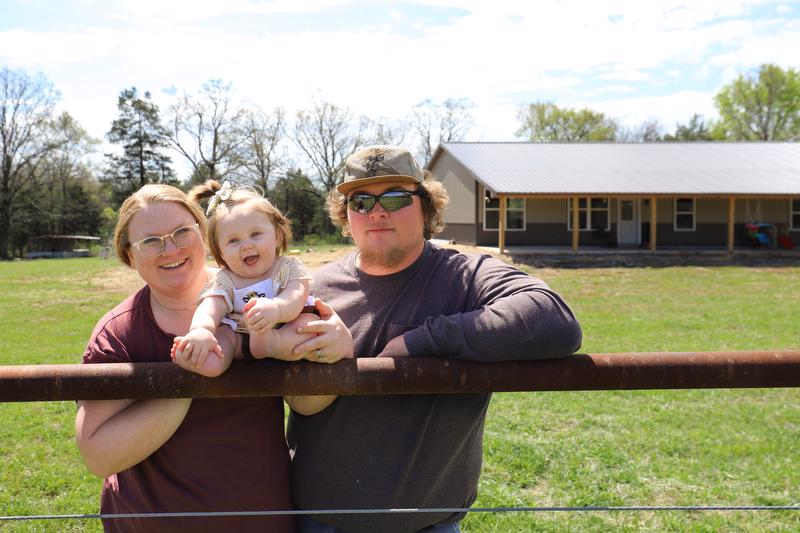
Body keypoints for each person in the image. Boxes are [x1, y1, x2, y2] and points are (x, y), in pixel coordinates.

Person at [286, 145, 583, 533]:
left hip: (430, 524)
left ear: (426, 206)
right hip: (318, 522)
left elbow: (553, 318)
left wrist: (420, 342)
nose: (377, 211)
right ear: (346, 214)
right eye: (360, 200)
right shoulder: (317, 288)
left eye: (394, 197)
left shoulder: (466, 276)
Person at [75, 184, 352, 533]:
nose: (170, 249)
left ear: (204, 237)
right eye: (150, 241)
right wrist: (191, 380)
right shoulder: (119, 332)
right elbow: (99, 455)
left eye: (181, 233)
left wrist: (334, 352)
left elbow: (308, 404)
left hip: (259, 521)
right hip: (151, 524)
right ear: (129, 255)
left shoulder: (253, 297)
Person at [171, 180, 327, 378]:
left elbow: (295, 297)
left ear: (277, 236)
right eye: (234, 241)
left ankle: (270, 344)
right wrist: (201, 330)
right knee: (222, 338)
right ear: (220, 251)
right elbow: (210, 308)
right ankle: (201, 358)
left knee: (310, 324)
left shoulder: (288, 267)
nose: (246, 245)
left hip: (284, 329)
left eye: (255, 234)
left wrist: (277, 309)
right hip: (239, 336)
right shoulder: (225, 280)